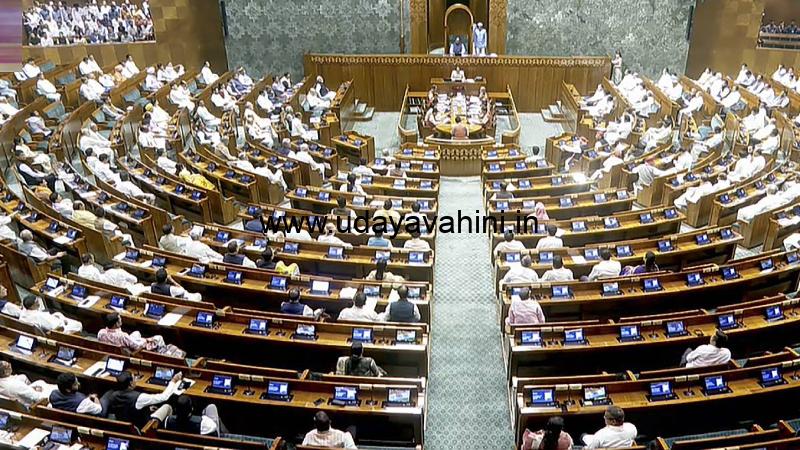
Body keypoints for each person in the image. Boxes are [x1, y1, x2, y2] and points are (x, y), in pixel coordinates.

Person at [102, 370, 184, 427]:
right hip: (143, 426)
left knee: (151, 407)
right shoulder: (139, 397)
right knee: (167, 406)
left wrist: (146, 408)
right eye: (134, 378)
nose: (136, 379)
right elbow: (164, 397)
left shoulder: (112, 395)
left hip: (126, 426)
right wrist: (173, 381)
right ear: (131, 383)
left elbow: (127, 408)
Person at [98, 312, 185, 358]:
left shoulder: (101, 333)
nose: (121, 320)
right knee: (158, 338)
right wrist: (147, 340)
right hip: (132, 350)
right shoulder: (122, 336)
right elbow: (137, 346)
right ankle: (162, 353)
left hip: (115, 349)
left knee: (137, 333)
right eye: (120, 320)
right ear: (115, 324)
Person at [159, 394, 226, 436]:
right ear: (192, 409)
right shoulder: (205, 423)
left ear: (175, 409)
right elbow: (214, 434)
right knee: (211, 407)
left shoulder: (168, 421)